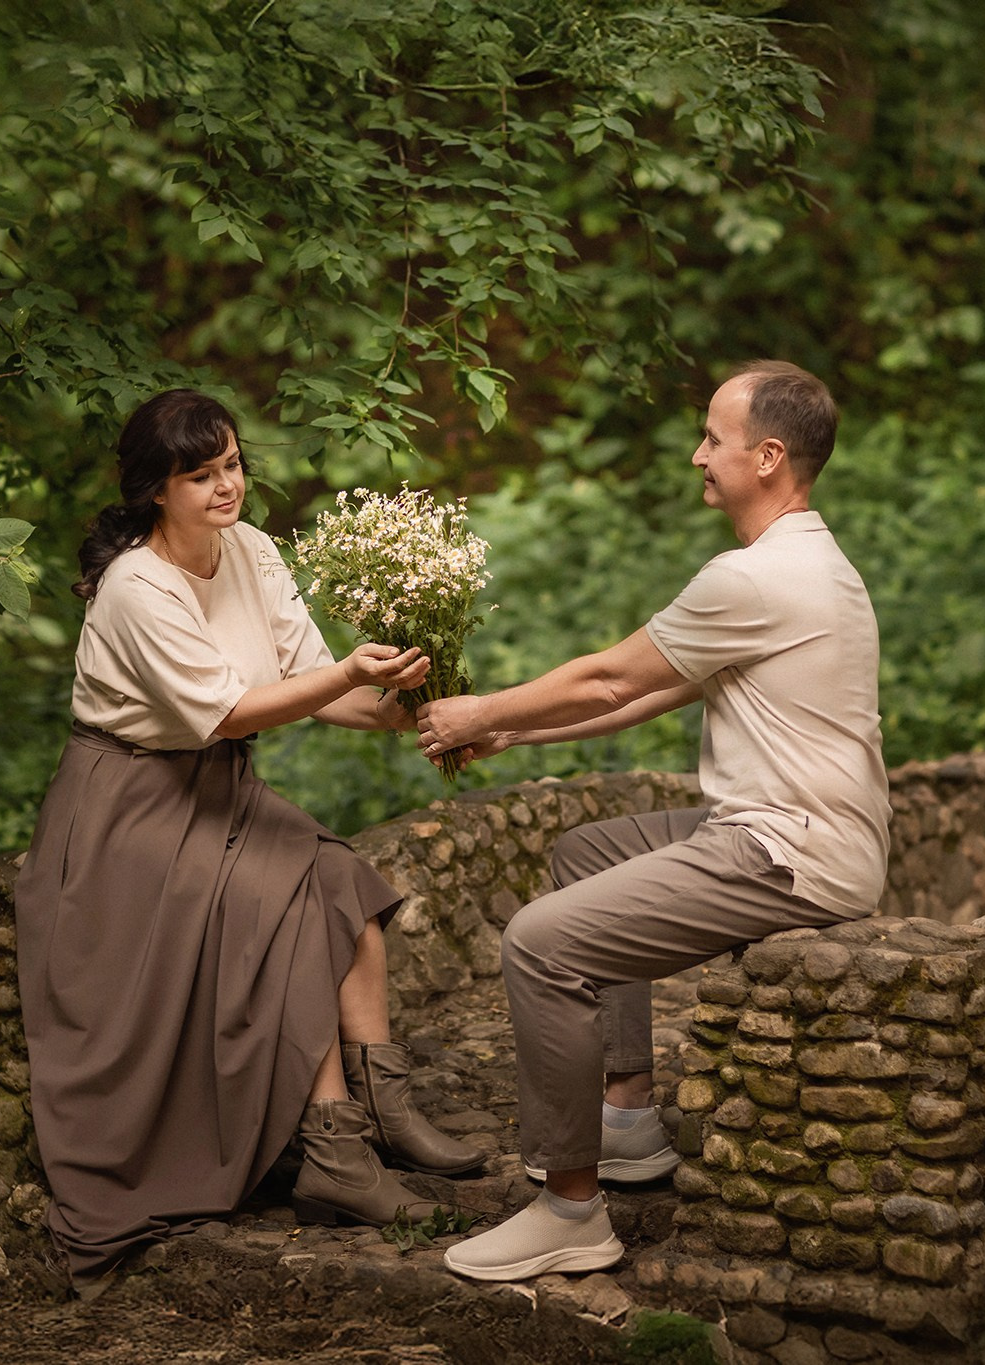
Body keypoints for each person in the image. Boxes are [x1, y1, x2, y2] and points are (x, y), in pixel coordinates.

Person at [413, 360, 891, 1282]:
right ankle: (627, 1115)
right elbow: (648, 691)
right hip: (801, 832)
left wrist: (478, 710)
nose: (697, 456)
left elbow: (607, 677)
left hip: (786, 851)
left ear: (768, 456)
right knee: (585, 852)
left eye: (713, 438)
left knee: (540, 943)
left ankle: (570, 1210)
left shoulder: (756, 578)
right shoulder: (806, 563)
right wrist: (511, 730)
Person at [13, 388, 483, 1280]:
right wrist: (350, 673)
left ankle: (384, 1113)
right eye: (201, 475)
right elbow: (229, 711)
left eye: (231, 464)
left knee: (344, 884)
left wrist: (412, 707)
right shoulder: (136, 587)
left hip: (215, 787)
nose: (226, 485)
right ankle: (336, 1155)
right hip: (127, 807)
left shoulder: (254, 549)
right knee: (286, 907)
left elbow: (314, 679)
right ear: (157, 489)